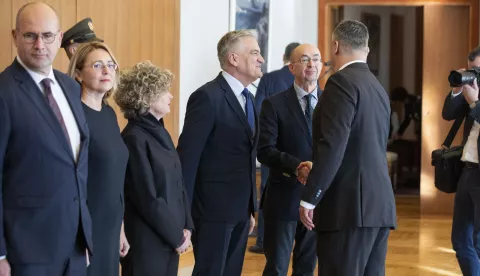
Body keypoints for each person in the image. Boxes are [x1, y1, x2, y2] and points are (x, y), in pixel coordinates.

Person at [0, 2, 92, 275]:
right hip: (26, 254)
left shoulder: (70, 87)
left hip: (74, 250)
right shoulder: (4, 94)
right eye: (30, 35)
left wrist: (84, 235)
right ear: (15, 37)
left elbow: (77, 167)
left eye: (47, 35)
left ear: (60, 37)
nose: (40, 44)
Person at [298, 20, 397, 276]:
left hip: (348, 207)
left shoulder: (341, 82)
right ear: (367, 48)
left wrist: (311, 197)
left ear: (336, 45)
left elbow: (333, 144)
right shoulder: (378, 88)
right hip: (379, 206)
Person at [176, 29, 263, 276]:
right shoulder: (207, 97)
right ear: (234, 59)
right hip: (211, 213)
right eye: (255, 52)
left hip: (240, 212)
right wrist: (184, 217)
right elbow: (187, 160)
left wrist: (249, 208)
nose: (261, 59)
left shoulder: (249, 99)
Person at [115, 61, 193, 276]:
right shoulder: (133, 138)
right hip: (147, 242)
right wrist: (176, 236)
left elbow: (179, 183)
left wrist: (187, 227)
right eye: (164, 91)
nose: (171, 96)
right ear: (146, 96)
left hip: (169, 237)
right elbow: (146, 197)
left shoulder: (160, 132)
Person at [257, 43, 322, 276]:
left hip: (317, 201)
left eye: (316, 59)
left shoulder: (332, 103)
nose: (311, 64)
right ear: (292, 67)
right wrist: (297, 167)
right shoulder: (273, 104)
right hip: (283, 199)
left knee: (306, 268)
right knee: (276, 267)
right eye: (305, 60)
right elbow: (264, 150)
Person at [67, 41, 129, 276]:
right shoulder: (72, 115)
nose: (107, 71)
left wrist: (121, 228)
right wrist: (77, 236)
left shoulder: (109, 113)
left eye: (111, 65)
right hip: (83, 228)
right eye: (97, 65)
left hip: (110, 225)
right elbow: (69, 183)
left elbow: (114, 178)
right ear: (78, 73)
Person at [249, 42, 299, 254]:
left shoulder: (269, 78)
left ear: (283, 56)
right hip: (301, 149)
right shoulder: (306, 77)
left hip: (274, 148)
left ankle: (263, 241)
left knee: (268, 190)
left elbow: (259, 109)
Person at [442, 45, 480, 276]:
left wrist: (475, 103)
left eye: (478, 70)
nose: (474, 75)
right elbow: (448, 113)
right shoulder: (471, 90)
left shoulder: (474, 98)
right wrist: (458, 89)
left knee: (477, 240)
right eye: (472, 70)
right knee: (460, 240)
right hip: (468, 172)